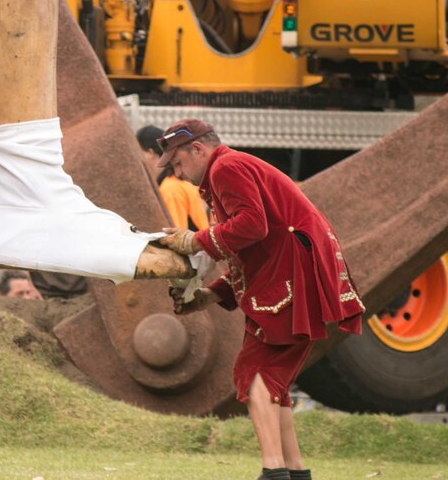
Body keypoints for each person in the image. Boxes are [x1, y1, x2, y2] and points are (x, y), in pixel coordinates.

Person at [157, 119, 364, 480]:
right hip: (288, 275)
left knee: (255, 374)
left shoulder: (226, 168)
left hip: (290, 276)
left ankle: (274, 472)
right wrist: (208, 296)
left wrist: (195, 240)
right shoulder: (226, 169)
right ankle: (293, 472)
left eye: (177, 163)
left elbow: (252, 225)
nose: (177, 173)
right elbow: (247, 249)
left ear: (198, 150)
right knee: (273, 383)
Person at [136, 124, 209, 231]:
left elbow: (175, 235)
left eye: (138, 152)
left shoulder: (171, 188)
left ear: (150, 153)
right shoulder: (177, 180)